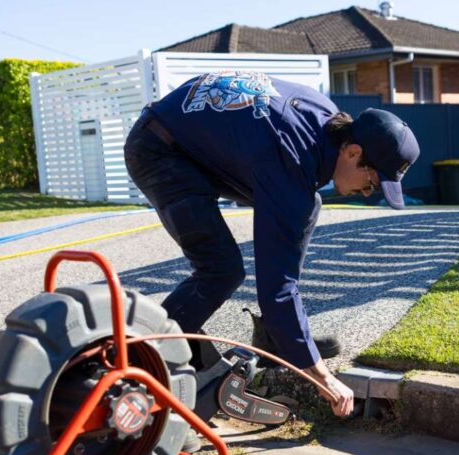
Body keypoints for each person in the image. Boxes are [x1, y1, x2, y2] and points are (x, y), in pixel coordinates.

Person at [124, 71, 420, 419]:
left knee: (304, 207)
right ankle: (136, 364)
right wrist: (321, 376)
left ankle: (276, 335)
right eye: (372, 182)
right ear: (353, 152)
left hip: (185, 141)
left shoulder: (323, 118)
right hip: (159, 150)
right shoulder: (291, 157)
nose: (369, 193)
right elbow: (277, 288)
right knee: (220, 270)